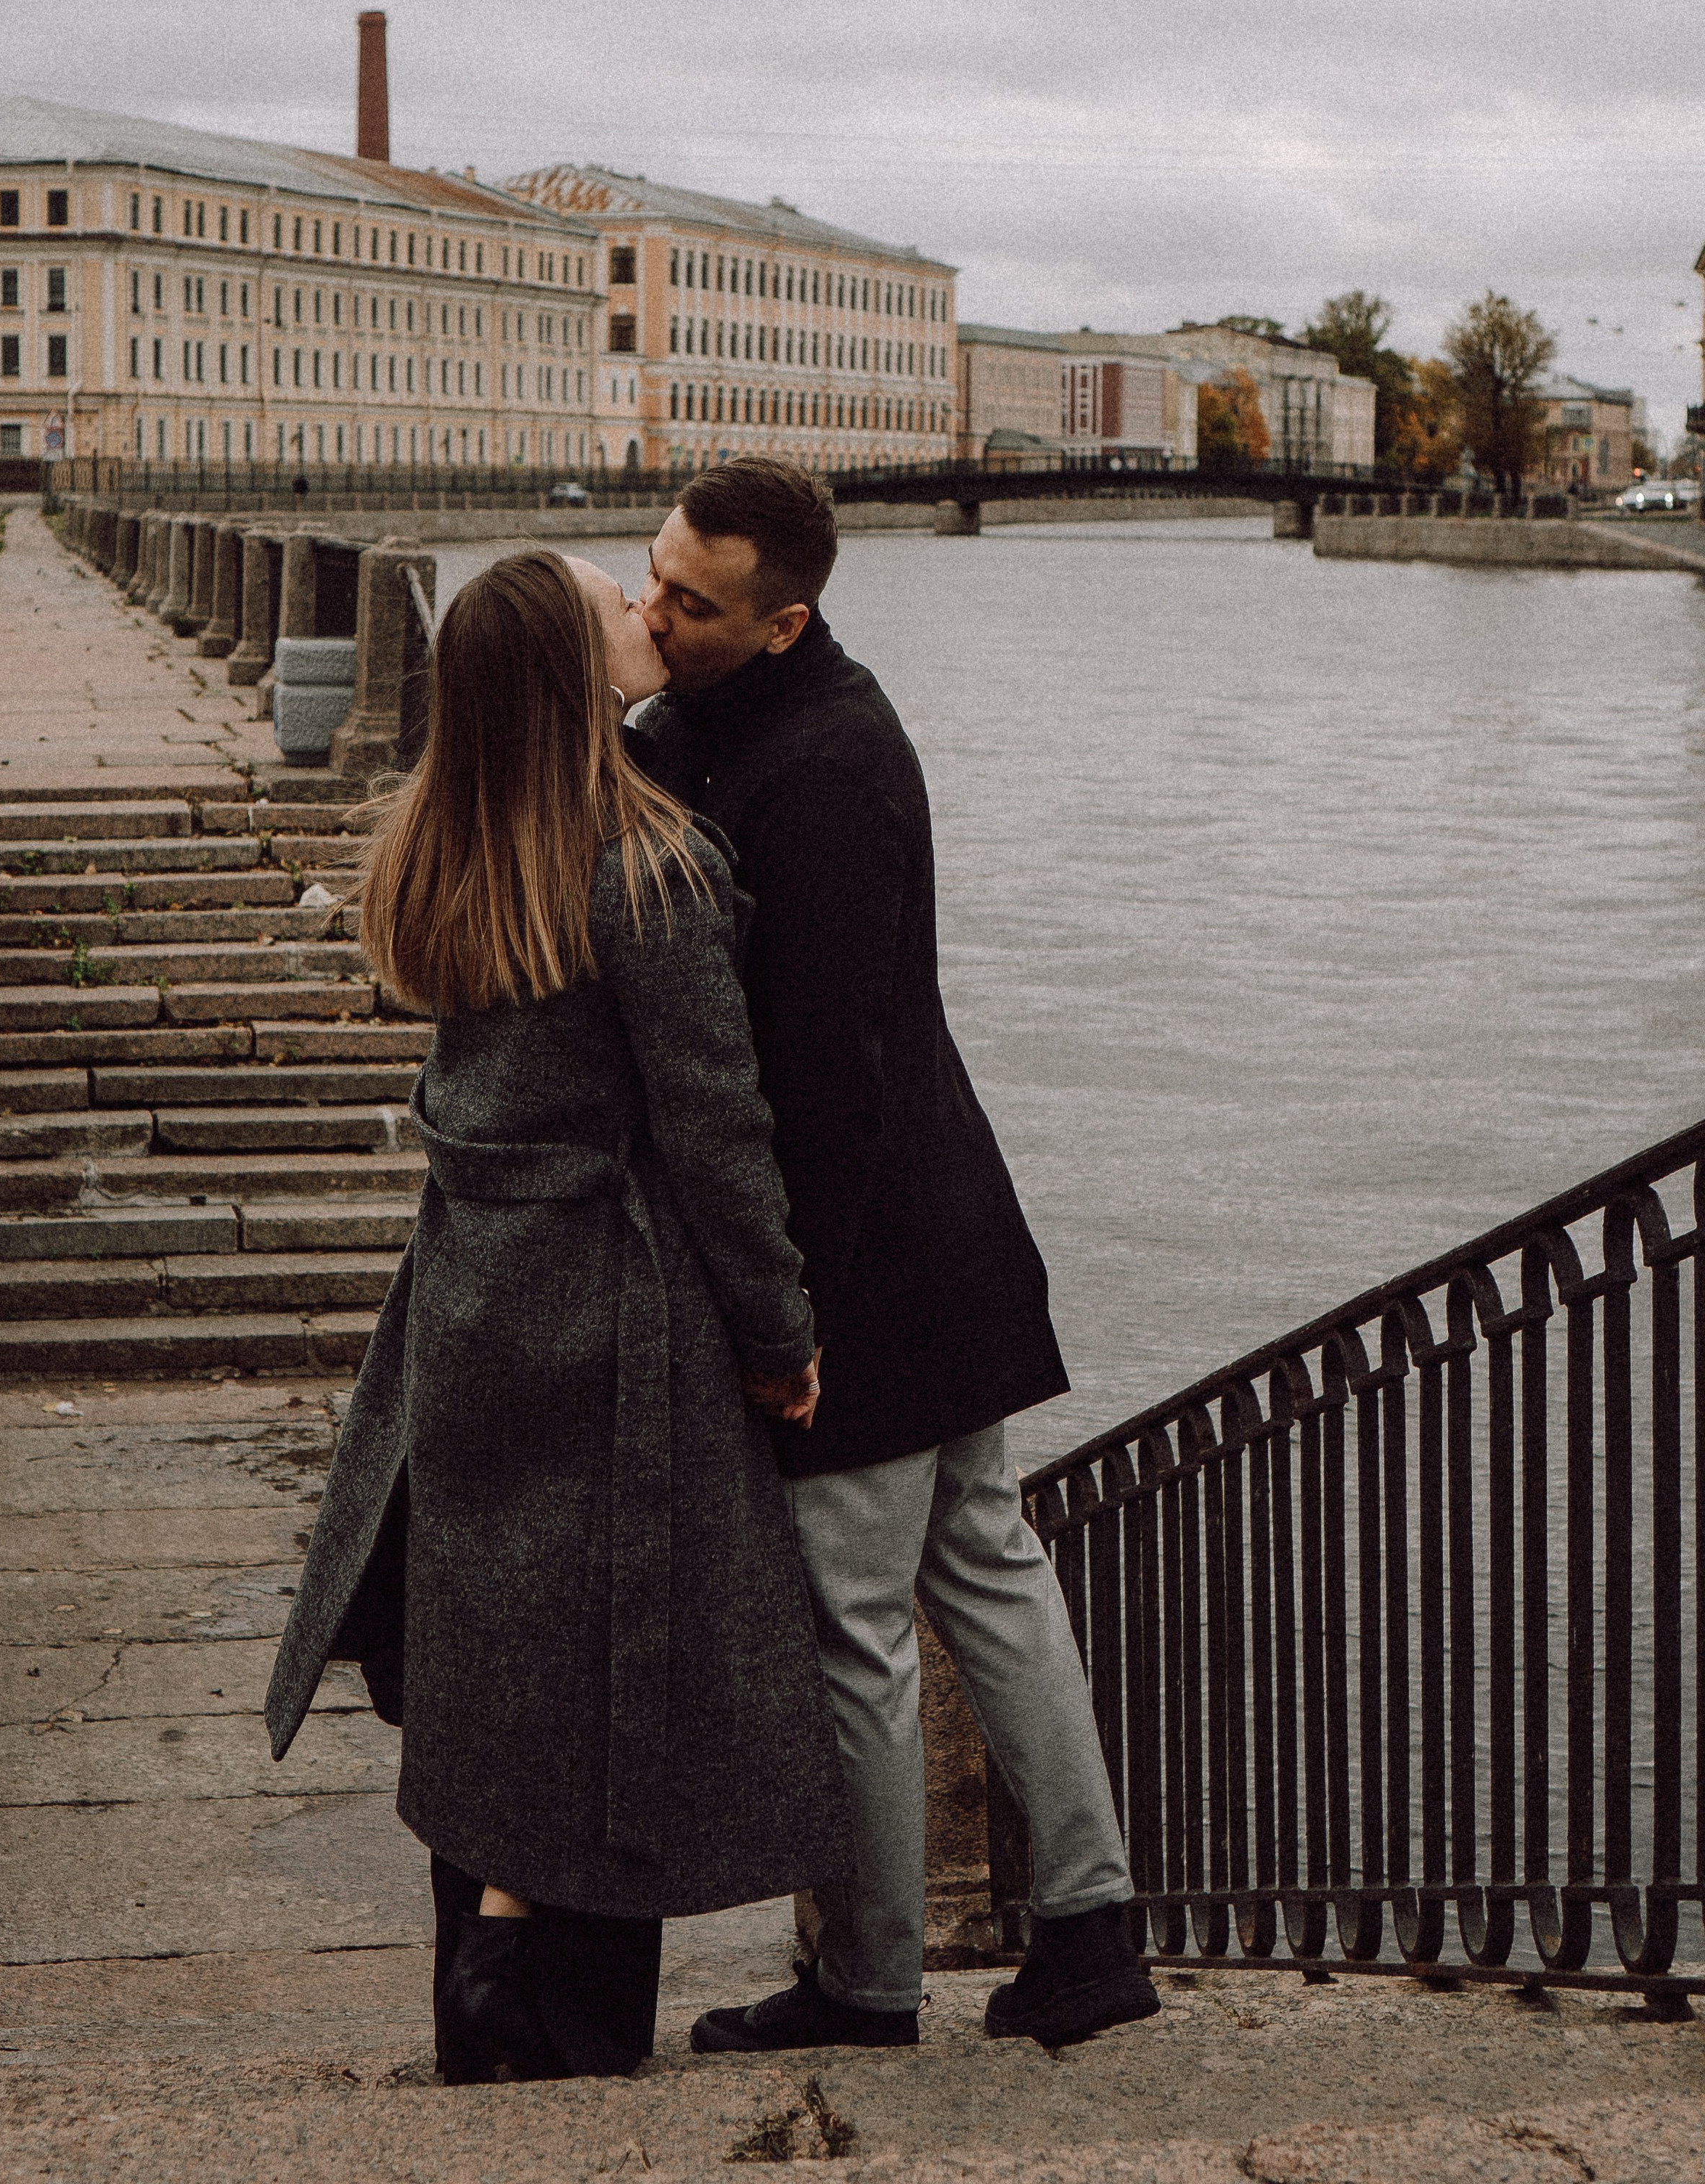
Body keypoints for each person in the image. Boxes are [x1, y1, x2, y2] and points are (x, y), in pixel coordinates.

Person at [265, 548, 850, 2085]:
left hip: (467, 1297)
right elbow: (717, 1136)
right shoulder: (649, 870)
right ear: (573, 674)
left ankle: (484, 1968)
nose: (644, 614)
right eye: (617, 605)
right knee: (613, 1660)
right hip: (608, 1310)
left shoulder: (438, 846)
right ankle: (559, 2011)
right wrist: (779, 1337)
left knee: (488, 1646)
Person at [628, 457, 1159, 2056]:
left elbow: (827, 1076)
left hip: (870, 1264)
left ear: (786, 621)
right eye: (649, 577)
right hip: (951, 1243)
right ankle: (1090, 1930)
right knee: (987, 1574)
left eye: (690, 604)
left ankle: (865, 1987)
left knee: (855, 1629)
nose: (655, 614)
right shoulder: (758, 723)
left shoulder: (827, 768)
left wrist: (787, 1319)